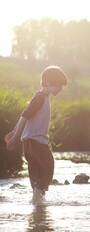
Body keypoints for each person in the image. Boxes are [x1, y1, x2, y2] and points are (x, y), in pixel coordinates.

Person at [5, 66, 67, 204]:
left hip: (29, 143)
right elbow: (25, 116)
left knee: (36, 169)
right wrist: (16, 136)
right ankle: (37, 198)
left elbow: (26, 116)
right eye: (59, 86)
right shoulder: (40, 97)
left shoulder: (41, 97)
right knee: (48, 165)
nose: (60, 89)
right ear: (49, 82)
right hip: (36, 142)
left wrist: (15, 131)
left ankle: (38, 200)